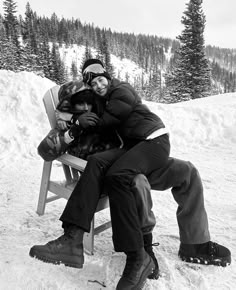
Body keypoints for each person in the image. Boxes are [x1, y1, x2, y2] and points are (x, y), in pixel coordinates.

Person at [80, 59, 231, 289]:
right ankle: (144, 249)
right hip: (125, 164)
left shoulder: (119, 93)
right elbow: (75, 107)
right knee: (136, 182)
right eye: (94, 84)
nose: (99, 86)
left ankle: (195, 244)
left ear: (108, 78)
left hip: (147, 152)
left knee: (188, 172)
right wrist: (76, 120)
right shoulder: (94, 104)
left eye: (102, 80)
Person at [33, 80, 159, 279]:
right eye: (78, 103)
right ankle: (73, 240)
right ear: (69, 106)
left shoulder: (105, 116)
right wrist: (73, 130)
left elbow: (129, 113)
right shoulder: (68, 127)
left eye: (88, 101)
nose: (85, 107)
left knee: (138, 180)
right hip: (96, 178)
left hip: (127, 165)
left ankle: (145, 248)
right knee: (134, 181)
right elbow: (44, 151)